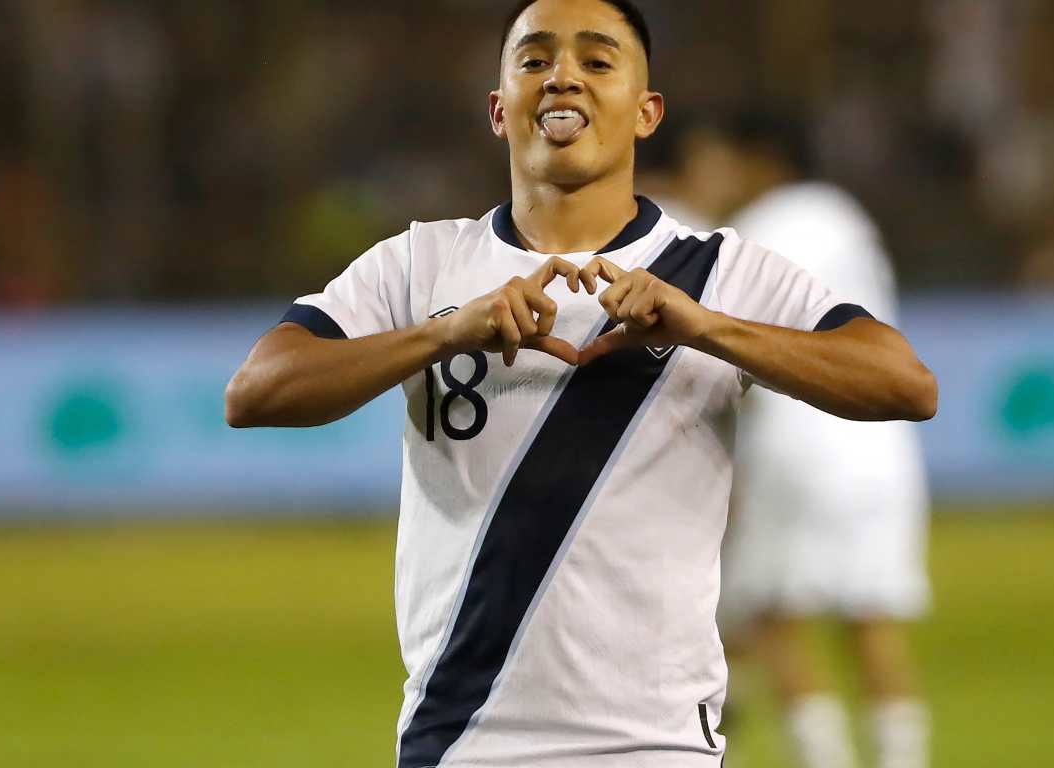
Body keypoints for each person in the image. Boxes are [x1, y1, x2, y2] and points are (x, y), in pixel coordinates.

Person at [225, 2, 938, 766]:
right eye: (534, 60)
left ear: (646, 111)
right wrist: (443, 332)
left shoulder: (721, 271)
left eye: (597, 61)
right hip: (461, 743)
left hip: (656, 748)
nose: (562, 75)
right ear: (500, 110)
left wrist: (705, 328)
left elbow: (904, 383)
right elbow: (257, 391)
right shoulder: (418, 265)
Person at [698, 112, 932, 768]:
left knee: (771, 615)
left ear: (762, 158)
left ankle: (823, 758)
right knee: (872, 620)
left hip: (799, 438)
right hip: (882, 447)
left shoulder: (762, 230)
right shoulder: (847, 218)